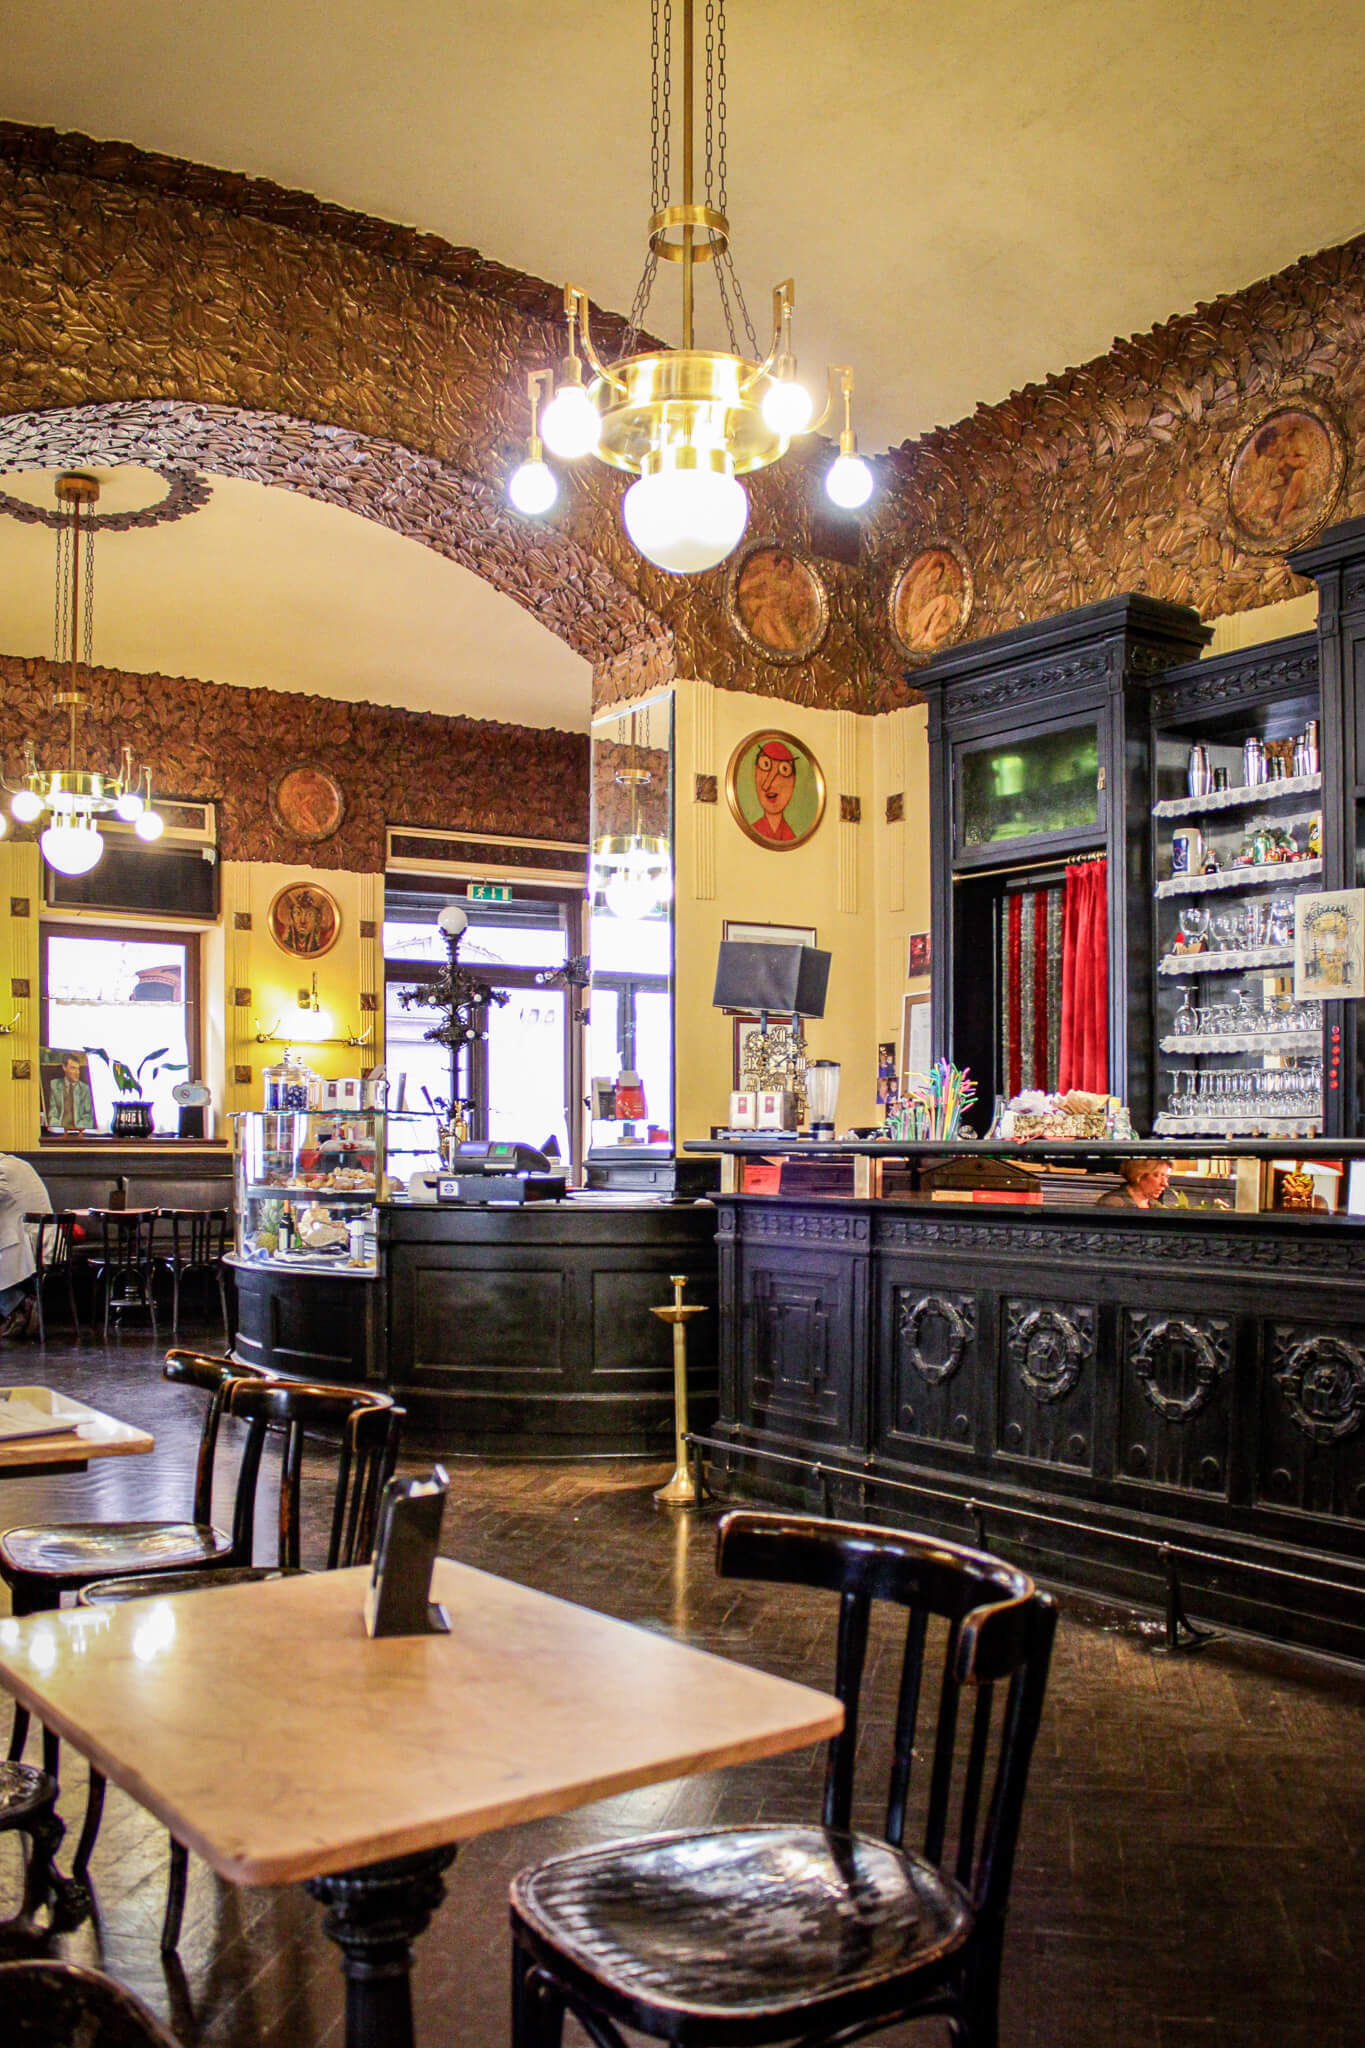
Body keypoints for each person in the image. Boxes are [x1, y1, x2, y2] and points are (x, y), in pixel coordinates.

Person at [0, 1153, 53, 1339]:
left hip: (30, 1247)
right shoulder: (20, 1165)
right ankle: (21, 1306)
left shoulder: (3, 1172)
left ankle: (18, 1306)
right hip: (48, 1242)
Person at [750, 740, 799, 842]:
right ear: (755, 774)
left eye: (784, 769)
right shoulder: (752, 832)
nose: (767, 785)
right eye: (765, 765)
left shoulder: (790, 838)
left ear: (793, 782)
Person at [46, 1051, 95, 1132]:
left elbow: (88, 1116)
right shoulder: (54, 1085)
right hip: (59, 1131)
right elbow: (52, 1114)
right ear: (64, 1067)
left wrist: (75, 1129)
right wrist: (59, 1129)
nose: (77, 1073)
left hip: (78, 1131)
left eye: (78, 1068)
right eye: (73, 1068)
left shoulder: (85, 1089)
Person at [1097, 1158, 1171, 1209]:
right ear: (1139, 1175)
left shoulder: (1156, 1206)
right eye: (1157, 1176)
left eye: (1167, 1177)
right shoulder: (1113, 1203)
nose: (1165, 1184)